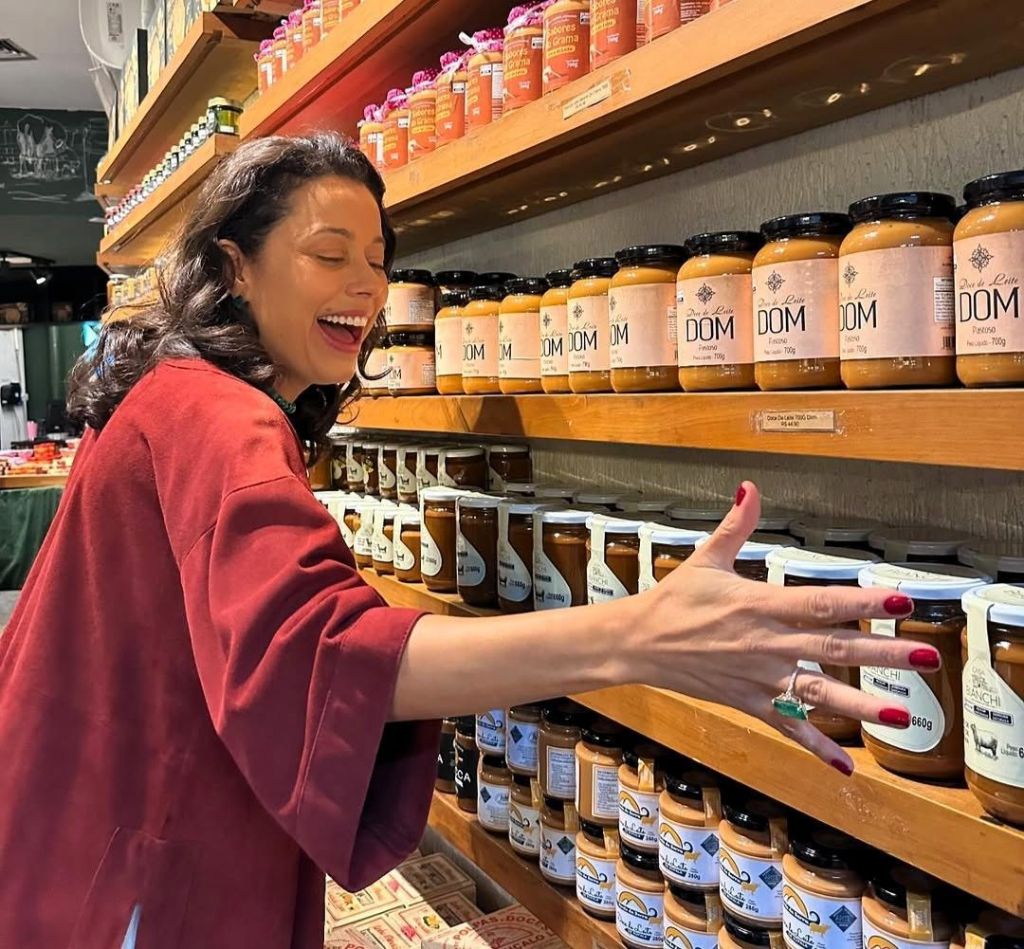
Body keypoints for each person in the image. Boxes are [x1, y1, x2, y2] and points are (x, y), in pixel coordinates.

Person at [0, 135, 933, 948]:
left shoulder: (181, 392)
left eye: (378, 258)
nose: (366, 287)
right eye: (329, 255)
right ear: (235, 266)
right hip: (136, 860)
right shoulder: (216, 414)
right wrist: (644, 634)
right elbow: (324, 653)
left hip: (73, 809)